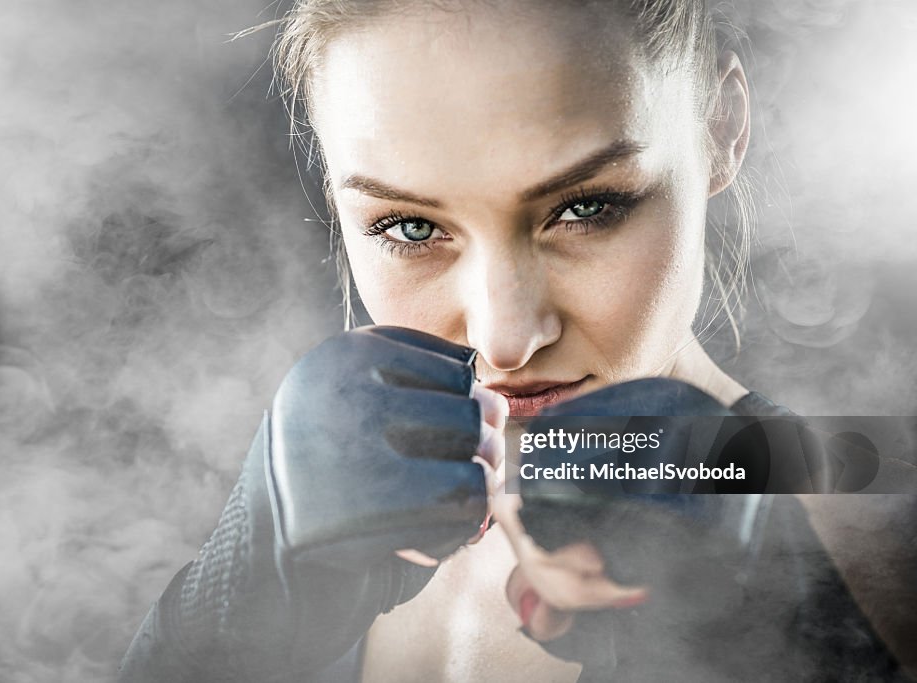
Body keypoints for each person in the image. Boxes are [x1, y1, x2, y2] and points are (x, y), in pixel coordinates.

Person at [118, 1, 913, 681]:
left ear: (721, 127)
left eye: (586, 208)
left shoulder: (870, 536)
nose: (505, 338)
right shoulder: (302, 522)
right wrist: (215, 623)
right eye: (410, 225)